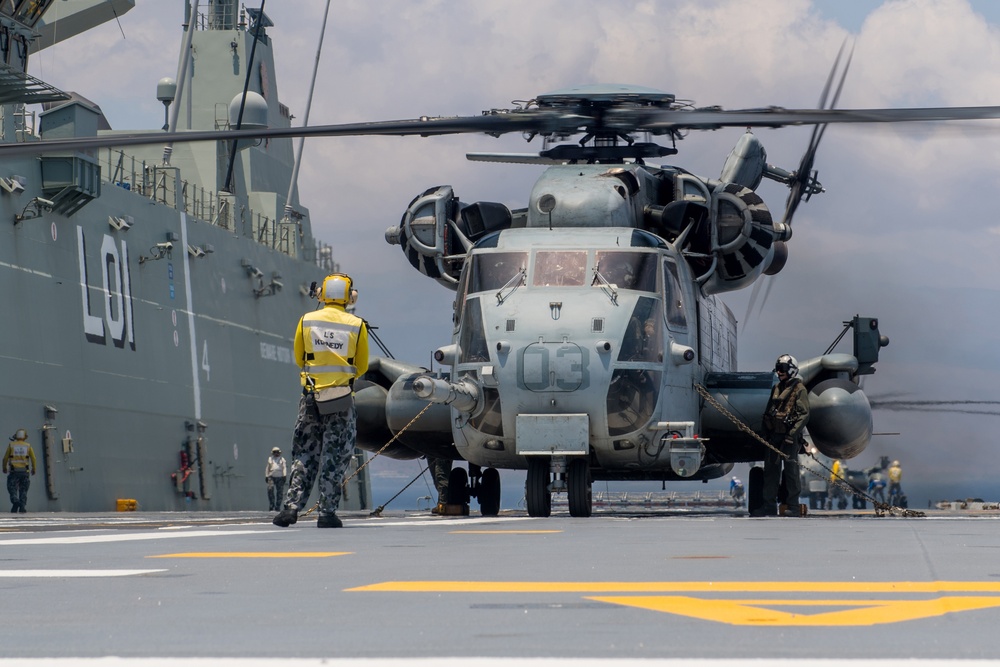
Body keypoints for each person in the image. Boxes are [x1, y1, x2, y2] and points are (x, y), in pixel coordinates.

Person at [273, 274, 369, 529]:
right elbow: (361, 366)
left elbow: (299, 357)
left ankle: (291, 508)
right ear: (350, 297)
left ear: (322, 295)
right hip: (341, 401)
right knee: (334, 457)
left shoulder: (306, 320)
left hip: (310, 398)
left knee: (304, 454)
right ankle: (326, 513)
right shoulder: (356, 324)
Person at [754, 354, 810, 517]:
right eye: (778, 369)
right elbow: (768, 411)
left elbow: (804, 414)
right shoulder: (776, 388)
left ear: (792, 370)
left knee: (791, 472)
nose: (779, 372)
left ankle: (793, 505)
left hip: (789, 438)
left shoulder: (799, 389)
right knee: (771, 472)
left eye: (783, 369)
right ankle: (769, 505)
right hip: (774, 437)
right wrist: (766, 434)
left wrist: (792, 434)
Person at [3, 429, 37, 513]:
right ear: (25, 436)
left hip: (14, 472)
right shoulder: (28, 446)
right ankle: (22, 506)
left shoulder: (11, 445)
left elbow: (5, 458)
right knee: (24, 490)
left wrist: (4, 467)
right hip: (25, 472)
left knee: (12, 488)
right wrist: (34, 469)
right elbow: (33, 458)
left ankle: (15, 502)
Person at [265, 447, 287, 511]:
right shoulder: (270, 459)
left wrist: (284, 475)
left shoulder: (282, 460)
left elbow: (284, 468)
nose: (276, 453)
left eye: (277, 452)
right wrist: (266, 475)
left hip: (280, 477)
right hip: (271, 476)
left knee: (280, 492)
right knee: (270, 489)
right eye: (275, 452)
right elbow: (267, 468)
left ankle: (278, 506)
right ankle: (271, 505)